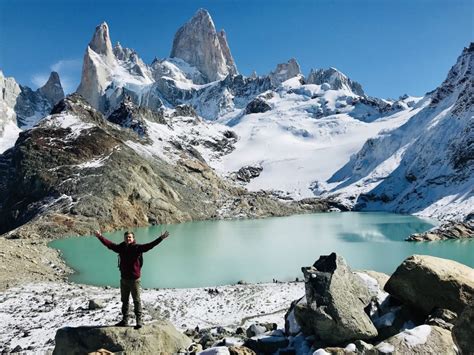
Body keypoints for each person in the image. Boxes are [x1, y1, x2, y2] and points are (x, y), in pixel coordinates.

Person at [94, 229, 170, 329]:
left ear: (133, 238)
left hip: (134, 280)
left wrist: (160, 238)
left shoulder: (137, 248)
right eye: (126, 237)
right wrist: (100, 237)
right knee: (124, 301)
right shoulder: (121, 247)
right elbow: (110, 245)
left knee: (136, 300)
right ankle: (125, 320)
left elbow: (149, 245)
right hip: (124, 279)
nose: (128, 239)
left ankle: (139, 321)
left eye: (129, 237)